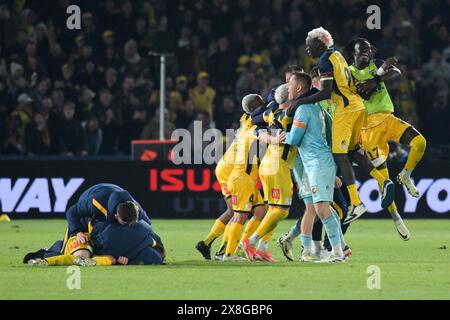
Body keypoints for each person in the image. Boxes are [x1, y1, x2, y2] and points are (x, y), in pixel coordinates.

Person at [291, 27, 395, 224]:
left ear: (319, 43)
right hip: (357, 107)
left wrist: (298, 102)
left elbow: (326, 93)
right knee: (352, 151)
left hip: (345, 111)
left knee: (339, 154)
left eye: (308, 45)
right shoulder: (337, 55)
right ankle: (383, 181)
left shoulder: (324, 61)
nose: (307, 50)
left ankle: (355, 203)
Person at [343, 38, 427, 239]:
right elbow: (357, 92)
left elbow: (396, 72)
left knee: (420, 142)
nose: (365, 51)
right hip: (368, 128)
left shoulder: (375, 65)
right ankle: (397, 218)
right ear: (353, 54)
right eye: (360, 49)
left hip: (388, 119)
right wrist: (371, 81)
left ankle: (406, 175)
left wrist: (376, 79)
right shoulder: (348, 73)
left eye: (367, 48)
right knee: (385, 181)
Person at [273, 72, 347, 263]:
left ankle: (337, 253)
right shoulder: (320, 109)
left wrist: (280, 138)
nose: (287, 88)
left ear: (298, 88)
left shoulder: (303, 109)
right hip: (322, 162)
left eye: (290, 85)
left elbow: (295, 138)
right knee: (320, 208)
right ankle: (336, 250)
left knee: (322, 209)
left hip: (317, 164)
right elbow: (331, 137)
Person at [241, 84, 298, 262]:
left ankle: (262, 247)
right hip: (278, 165)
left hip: (269, 163)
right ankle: (251, 241)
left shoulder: (270, 112)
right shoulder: (288, 114)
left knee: (273, 210)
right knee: (281, 211)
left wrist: (269, 137)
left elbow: (257, 122)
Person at [25, 202, 164, 266]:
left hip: (96, 241)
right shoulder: (105, 228)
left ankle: (48, 256)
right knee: (81, 256)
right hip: (84, 233)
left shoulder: (141, 228)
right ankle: (46, 256)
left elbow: (156, 247)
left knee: (89, 258)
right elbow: (157, 249)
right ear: (116, 216)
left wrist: (126, 258)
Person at [223, 94, 267, 261]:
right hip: (242, 179)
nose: (263, 102)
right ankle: (229, 253)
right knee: (239, 216)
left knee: (261, 212)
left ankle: (242, 246)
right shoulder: (255, 130)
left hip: (244, 179)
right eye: (261, 100)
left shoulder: (245, 126)